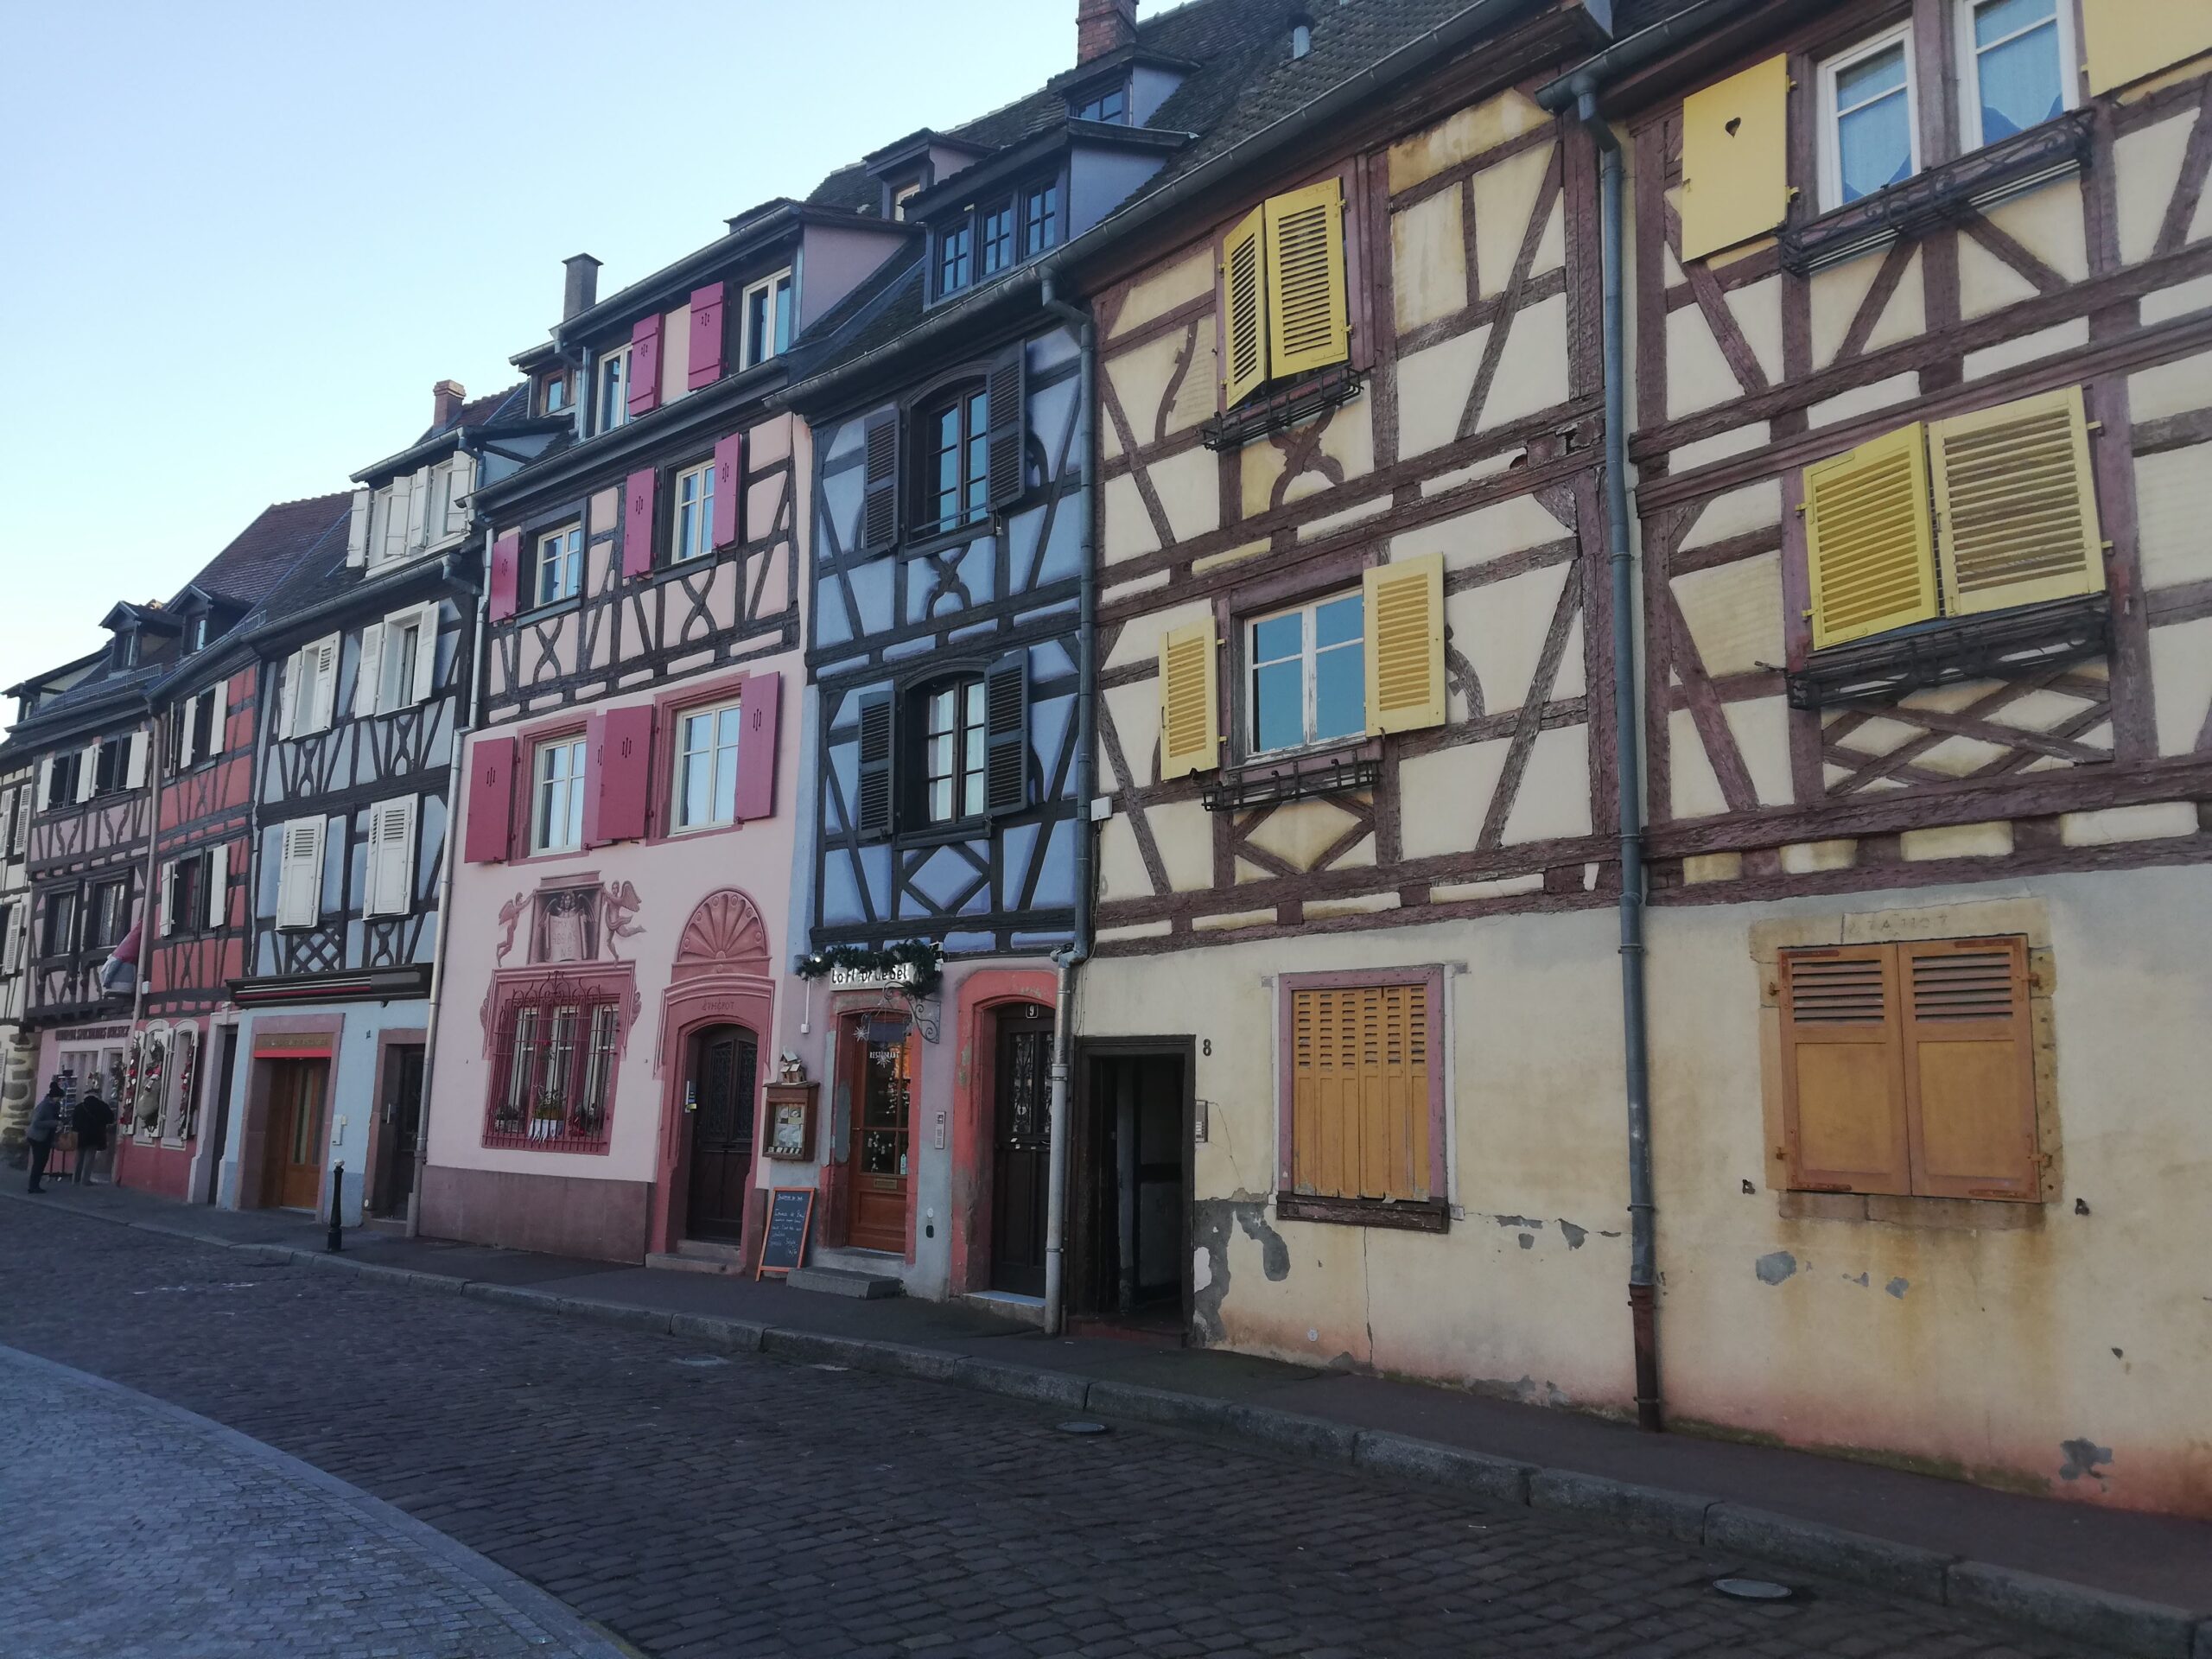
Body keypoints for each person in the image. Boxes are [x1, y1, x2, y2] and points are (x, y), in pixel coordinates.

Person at [25, 1081, 64, 1194]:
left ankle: (34, 1185)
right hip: (37, 1138)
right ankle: (33, 1186)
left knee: (42, 1162)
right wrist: (54, 1123)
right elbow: (36, 1123)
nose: (60, 1100)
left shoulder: (54, 1106)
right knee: (39, 1162)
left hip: (45, 1138)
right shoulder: (44, 1106)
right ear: (54, 1096)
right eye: (59, 1098)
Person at [70, 1089, 114, 1186]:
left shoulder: (80, 1107)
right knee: (89, 1159)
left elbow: (74, 1122)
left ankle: (75, 1179)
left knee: (79, 1158)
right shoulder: (102, 1106)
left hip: (80, 1136)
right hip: (95, 1136)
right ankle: (85, 1180)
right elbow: (110, 1119)